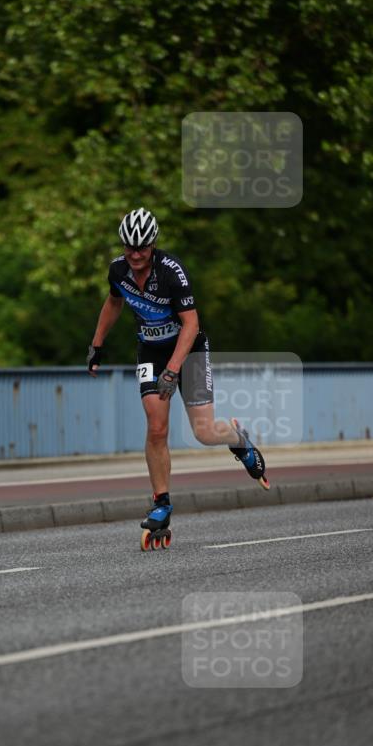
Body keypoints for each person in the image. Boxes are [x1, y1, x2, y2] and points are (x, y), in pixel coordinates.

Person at [86, 207, 268, 538]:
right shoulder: (117, 270)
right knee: (157, 427)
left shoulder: (173, 272)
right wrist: (97, 345)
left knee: (205, 433)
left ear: (153, 244)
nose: (136, 254)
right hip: (151, 350)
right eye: (129, 247)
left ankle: (239, 441)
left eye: (142, 247)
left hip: (189, 349)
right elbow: (113, 303)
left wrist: (172, 371)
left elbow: (191, 323)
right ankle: (161, 503)